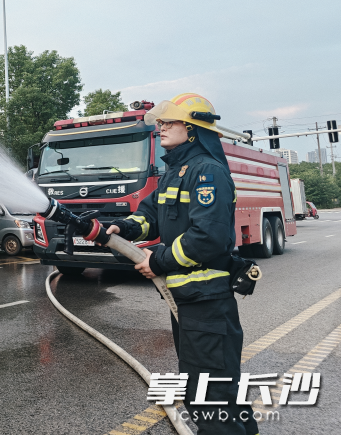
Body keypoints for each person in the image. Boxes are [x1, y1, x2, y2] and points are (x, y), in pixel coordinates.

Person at [103, 93, 259, 435]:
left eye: (166, 122)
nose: (159, 128)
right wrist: (122, 227)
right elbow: (150, 216)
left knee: (210, 394)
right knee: (209, 388)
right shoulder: (175, 174)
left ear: (191, 129)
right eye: (159, 123)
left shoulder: (207, 172)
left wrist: (157, 260)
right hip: (189, 303)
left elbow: (208, 238)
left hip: (207, 303)